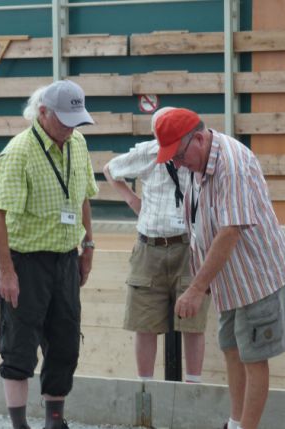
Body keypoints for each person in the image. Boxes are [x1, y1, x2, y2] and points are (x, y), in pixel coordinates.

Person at [154, 108, 285, 429]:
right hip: (229, 279)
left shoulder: (232, 165)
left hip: (256, 277)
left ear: (198, 139)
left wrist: (195, 288)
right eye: (173, 160)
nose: (178, 164)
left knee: (253, 357)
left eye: (179, 156)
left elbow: (230, 231)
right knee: (232, 348)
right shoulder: (198, 162)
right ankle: (235, 422)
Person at [0, 80, 98, 429]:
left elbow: (83, 196)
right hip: (27, 262)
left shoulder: (78, 143)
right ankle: (19, 425)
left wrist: (88, 245)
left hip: (66, 259)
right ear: (42, 113)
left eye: (76, 120)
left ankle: (54, 422)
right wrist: (7, 271)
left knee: (65, 345)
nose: (71, 128)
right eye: (65, 120)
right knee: (19, 347)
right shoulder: (19, 152)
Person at [103, 107, 210, 382]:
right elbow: (110, 169)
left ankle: (193, 385)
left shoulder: (201, 152)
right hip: (149, 244)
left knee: (193, 323)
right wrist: (132, 200)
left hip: (189, 244)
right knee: (145, 322)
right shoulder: (148, 153)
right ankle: (145, 389)